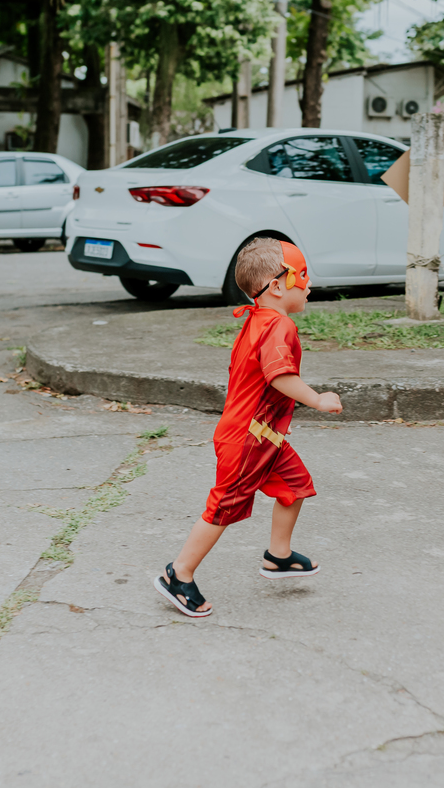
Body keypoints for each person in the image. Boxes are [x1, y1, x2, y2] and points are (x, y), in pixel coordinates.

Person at [154, 238, 342, 617]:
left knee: (294, 486)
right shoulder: (278, 325)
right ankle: (179, 573)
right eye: (302, 275)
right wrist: (317, 399)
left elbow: (257, 380)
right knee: (223, 508)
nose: (308, 283)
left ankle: (278, 556)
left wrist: (277, 419)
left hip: (262, 434)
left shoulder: (259, 320)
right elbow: (279, 376)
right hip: (247, 439)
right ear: (277, 286)